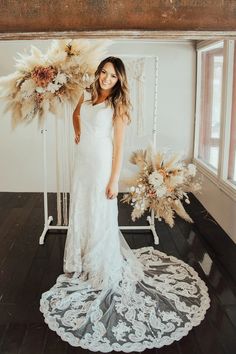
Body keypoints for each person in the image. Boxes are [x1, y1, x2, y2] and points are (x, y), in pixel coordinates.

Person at [40, 56, 210, 352]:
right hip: (83, 162)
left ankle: (100, 263)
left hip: (103, 165)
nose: (106, 78)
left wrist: (113, 180)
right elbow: (76, 115)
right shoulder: (87, 93)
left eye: (112, 76)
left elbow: (119, 149)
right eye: (103, 73)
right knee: (81, 207)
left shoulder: (117, 108)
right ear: (98, 73)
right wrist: (77, 131)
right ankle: (80, 259)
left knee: (101, 212)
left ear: (119, 80)